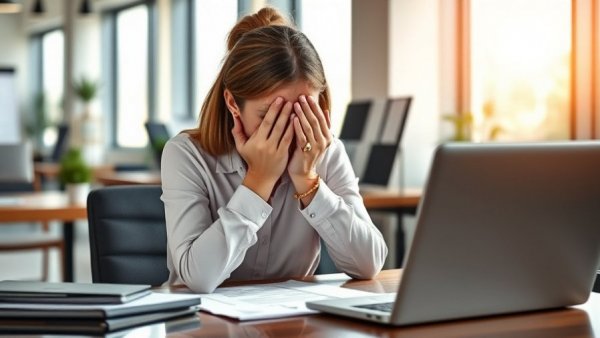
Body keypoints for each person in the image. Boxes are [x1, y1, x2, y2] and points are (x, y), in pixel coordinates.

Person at [161, 7, 388, 293]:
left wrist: (309, 182)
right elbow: (199, 277)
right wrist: (258, 181)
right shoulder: (186, 154)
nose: (289, 130)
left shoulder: (325, 151)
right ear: (233, 104)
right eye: (271, 116)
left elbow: (368, 264)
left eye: (303, 112)